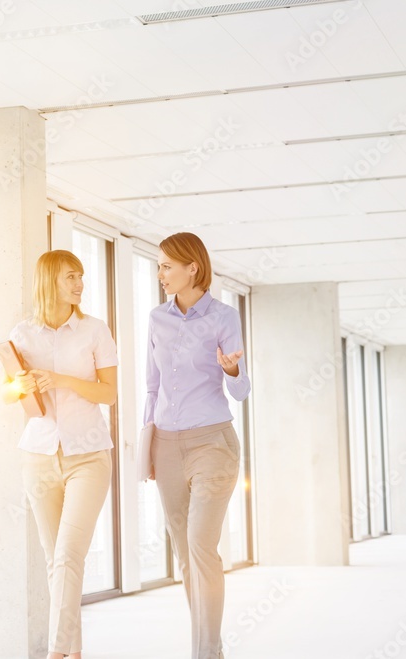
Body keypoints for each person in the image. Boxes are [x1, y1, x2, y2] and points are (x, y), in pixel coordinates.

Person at [4, 249, 118, 659]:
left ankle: (54, 653)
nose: (79, 283)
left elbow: (109, 393)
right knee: (57, 562)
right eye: (71, 276)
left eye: (81, 276)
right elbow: (10, 396)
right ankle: (74, 652)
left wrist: (62, 379)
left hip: (88, 455)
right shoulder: (22, 334)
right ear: (49, 280)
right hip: (38, 456)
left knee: (69, 556)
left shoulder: (95, 330)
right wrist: (19, 386)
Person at [144, 232, 250, 659]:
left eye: (167, 266)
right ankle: (211, 650)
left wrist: (232, 371)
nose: (160, 273)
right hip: (166, 445)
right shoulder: (157, 318)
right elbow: (152, 387)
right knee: (185, 555)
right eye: (158, 266)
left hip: (212, 444)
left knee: (201, 547)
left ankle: (205, 652)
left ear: (193, 267)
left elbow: (241, 392)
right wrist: (148, 446)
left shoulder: (224, 317)